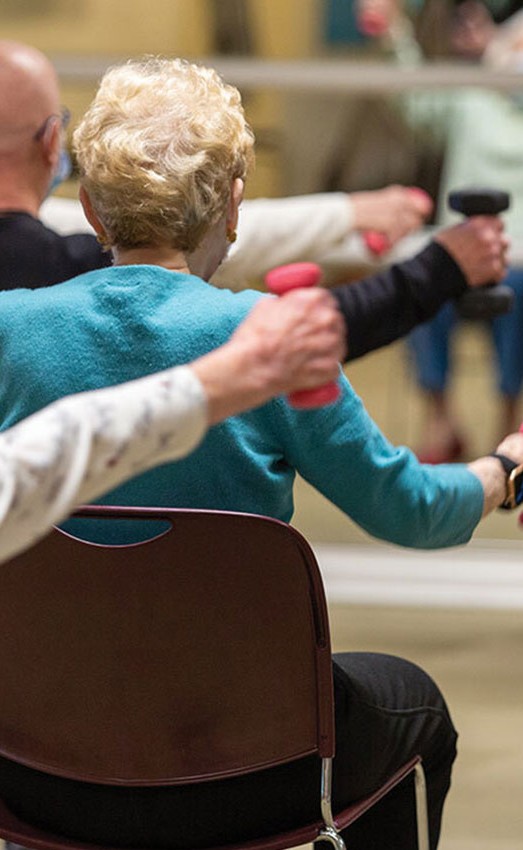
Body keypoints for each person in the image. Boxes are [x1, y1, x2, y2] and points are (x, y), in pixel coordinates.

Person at [0, 56, 521, 850]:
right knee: (410, 704)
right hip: (251, 774)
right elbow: (413, 513)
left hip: (33, 770)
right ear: (234, 207)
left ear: (94, 214)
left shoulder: (8, 329)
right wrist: (502, 472)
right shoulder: (270, 343)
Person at [0, 38, 508, 354]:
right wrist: (436, 265)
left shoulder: (22, 320)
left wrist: (347, 216)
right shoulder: (225, 342)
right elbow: (410, 501)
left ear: (92, 208)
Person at [0, 286, 344, 565]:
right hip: (229, 644)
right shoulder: (252, 318)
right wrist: (220, 381)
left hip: (34, 647)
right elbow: (384, 498)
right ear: (230, 215)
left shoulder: (11, 319)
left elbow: (23, 472)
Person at [356, 0, 523, 460]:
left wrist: (502, 54)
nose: (468, 27)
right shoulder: (466, 96)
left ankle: (508, 427)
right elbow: (415, 100)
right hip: (462, 251)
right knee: (419, 288)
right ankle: (441, 419)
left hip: (517, 259)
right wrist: (392, 33)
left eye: (480, 18)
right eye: (461, 18)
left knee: (518, 296)